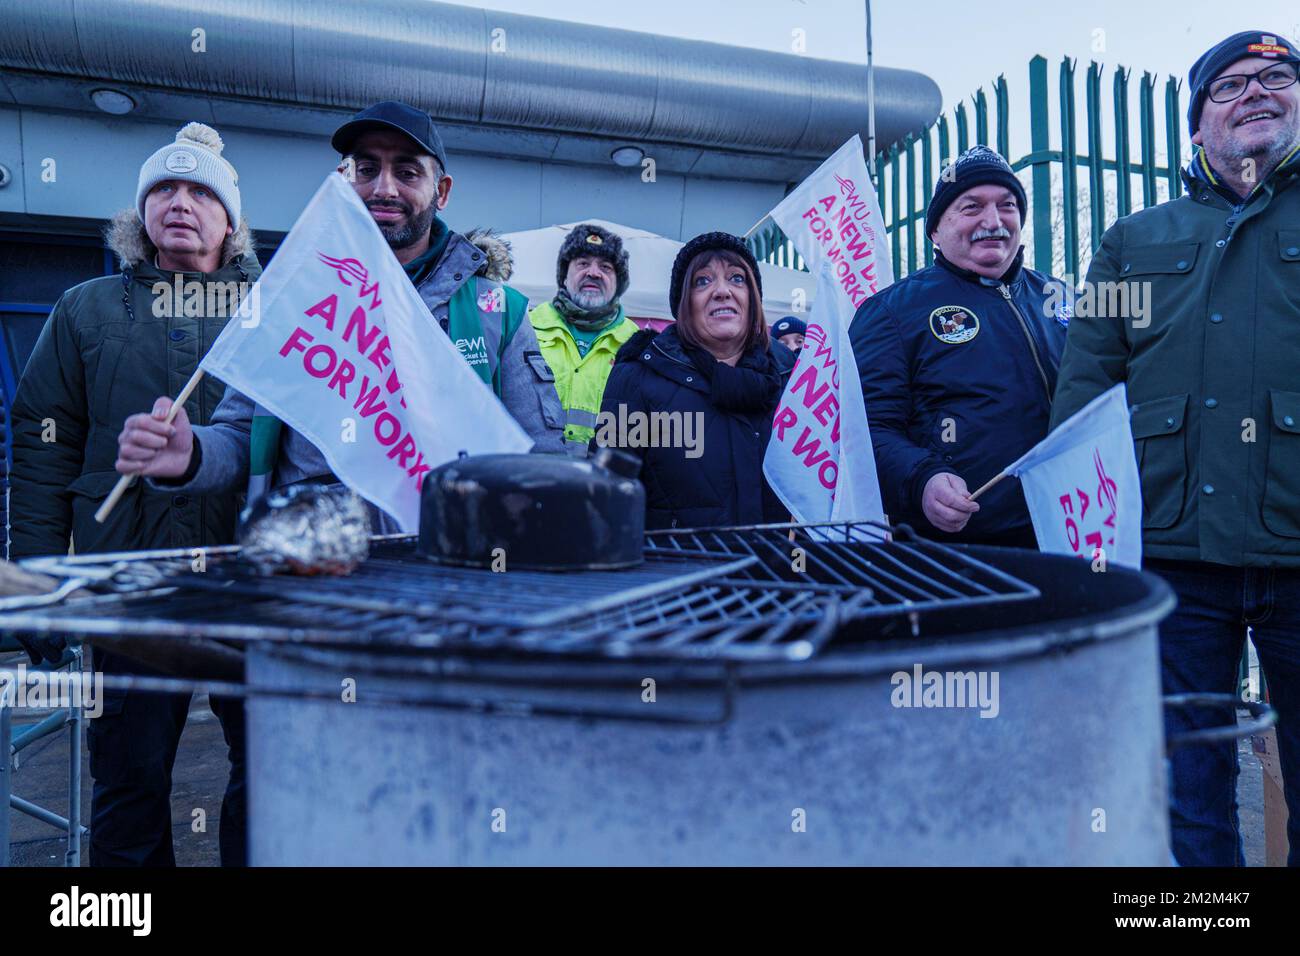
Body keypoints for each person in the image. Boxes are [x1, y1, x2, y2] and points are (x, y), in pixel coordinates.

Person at [1051, 30, 1300, 867]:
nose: (1258, 93)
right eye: (1231, 86)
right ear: (1197, 127)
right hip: (1171, 554)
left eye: (1277, 78)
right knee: (1189, 784)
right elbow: (1087, 389)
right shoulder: (1132, 237)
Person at [115, 101, 564, 519]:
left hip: (446, 556)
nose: (384, 189)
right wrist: (190, 453)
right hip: (309, 553)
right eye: (366, 169)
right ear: (343, 178)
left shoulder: (498, 311)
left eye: (407, 173)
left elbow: (540, 459)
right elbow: (239, 438)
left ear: (441, 191)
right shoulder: (287, 296)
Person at [9, 122, 256, 865]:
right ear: (140, 212)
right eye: (164, 190)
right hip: (128, 585)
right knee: (129, 779)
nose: (180, 203)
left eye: (200, 192)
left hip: (252, 587)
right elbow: (42, 444)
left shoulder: (272, 311)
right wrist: (42, 581)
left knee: (267, 774)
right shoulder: (85, 308)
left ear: (230, 218)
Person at [848, 145, 1069, 545]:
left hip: (1066, 531)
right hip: (959, 550)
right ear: (935, 230)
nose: (993, 220)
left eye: (1007, 205)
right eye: (971, 207)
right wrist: (923, 478)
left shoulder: (1060, 298)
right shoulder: (890, 312)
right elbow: (866, 431)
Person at [596, 232, 794, 529]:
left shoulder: (793, 376)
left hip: (778, 574)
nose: (722, 291)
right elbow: (606, 500)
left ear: (753, 298)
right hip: (677, 572)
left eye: (737, 278)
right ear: (683, 304)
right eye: (703, 280)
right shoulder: (638, 377)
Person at [528, 223, 638, 453]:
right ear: (564, 276)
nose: (593, 273)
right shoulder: (526, 329)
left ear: (618, 283)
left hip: (602, 482)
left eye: (606, 267)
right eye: (583, 263)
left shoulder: (637, 346)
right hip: (534, 475)